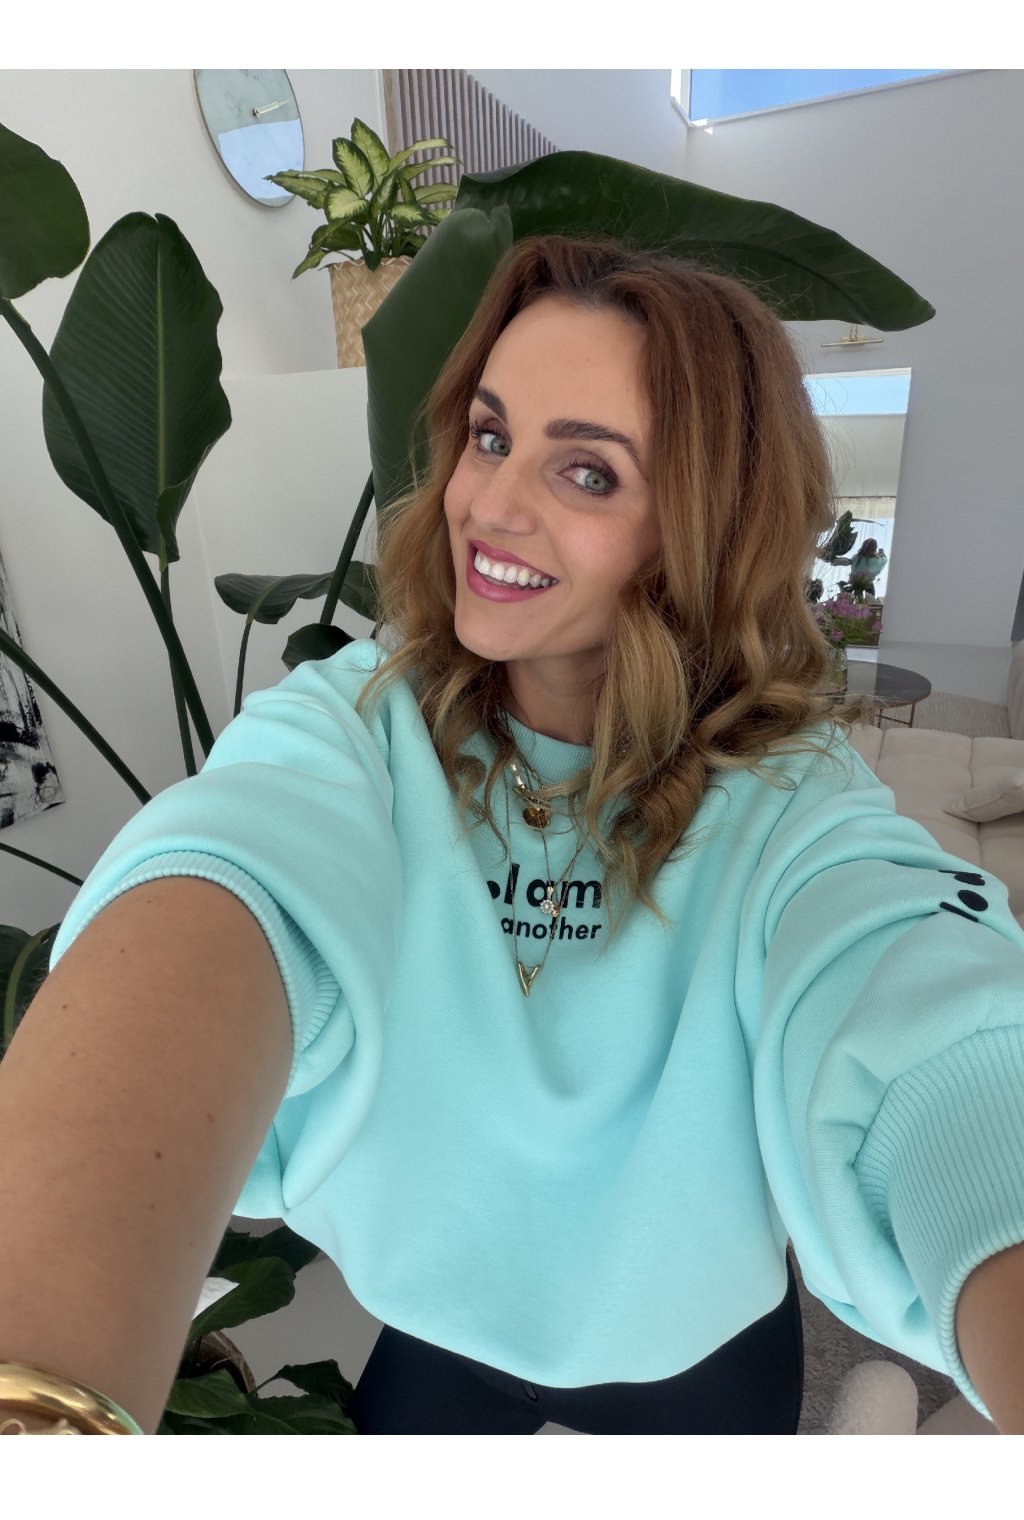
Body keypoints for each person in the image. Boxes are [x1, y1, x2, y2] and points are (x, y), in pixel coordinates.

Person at [3, 234, 1024, 1437]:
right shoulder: (355, 725)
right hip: (434, 1335)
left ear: (701, 521)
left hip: (696, 1349)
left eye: (587, 472)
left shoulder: (790, 795)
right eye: (491, 438)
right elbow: (226, 878)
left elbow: (921, 1019)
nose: (489, 504)